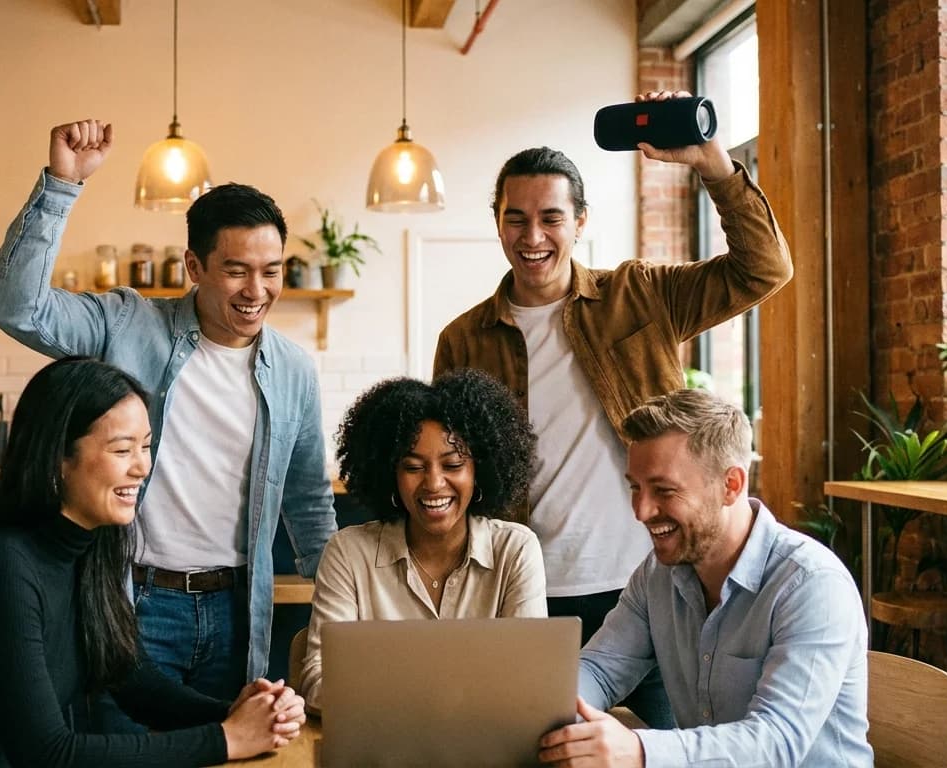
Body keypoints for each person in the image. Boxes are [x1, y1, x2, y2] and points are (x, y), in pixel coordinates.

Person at [433, 90, 792, 726]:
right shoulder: (462, 339)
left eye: (550, 217)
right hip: (526, 593)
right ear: (497, 222)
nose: (533, 236)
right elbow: (451, 473)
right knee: (539, 746)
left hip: (652, 582)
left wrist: (712, 163)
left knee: (669, 745)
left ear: (580, 221)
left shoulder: (641, 294)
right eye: (516, 218)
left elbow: (763, 270)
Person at [0, 120, 336, 702]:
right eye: (236, 270)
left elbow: (308, 504)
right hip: (133, 600)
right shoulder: (128, 325)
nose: (257, 290)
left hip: (237, 610)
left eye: (271, 271)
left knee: (228, 750)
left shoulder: (294, 370)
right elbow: (16, 308)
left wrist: (340, 614)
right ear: (194, 267)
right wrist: (60, 186)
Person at [0, 357, 306, 767]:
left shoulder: (91, 546)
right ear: (58, 459)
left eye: (146, 446)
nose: (142, 468)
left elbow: (134, 681)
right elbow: (49, 754)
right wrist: (226, 738)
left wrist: (241, 715)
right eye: (121, 450)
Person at [536, 388, 870, 767]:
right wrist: (547, 718)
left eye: (663, 490)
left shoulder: (812, 585)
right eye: (635, 487)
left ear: (731, 485)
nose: (641, 511)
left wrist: (640, 752)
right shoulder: (656, 575)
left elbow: (777, 742)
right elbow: (599, 670)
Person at [298, 369, 547, 708]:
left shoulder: (515, 550)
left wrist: (393, 693)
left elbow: (528, 680)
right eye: (414, 467)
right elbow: (318, 680)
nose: (433, 484)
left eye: (453, 465)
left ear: (480, 471)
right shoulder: (348, 553)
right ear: (391, 474)